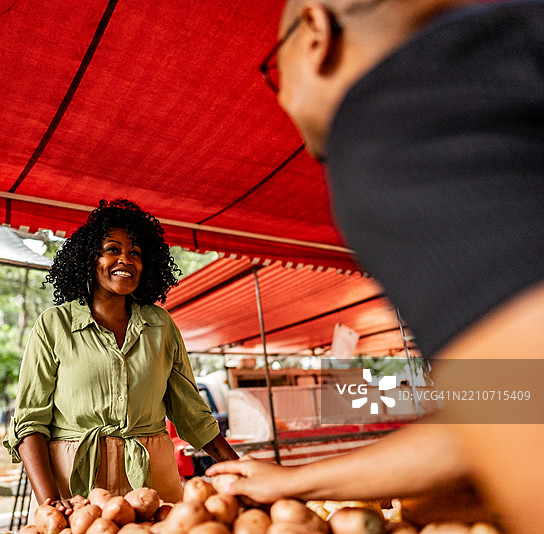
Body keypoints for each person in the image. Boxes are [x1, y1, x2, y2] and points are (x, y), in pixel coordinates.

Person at [208, 0, 544, 532]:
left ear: (315, 31)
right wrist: (293, 481)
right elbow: (509, 402)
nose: (285, 104)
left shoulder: (397, 113)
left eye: (275, 71)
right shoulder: (511, 59)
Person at [5, 199, 238, 516]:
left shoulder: (160, 325)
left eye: (136, 253)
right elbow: (30, 422)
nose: (126, 260)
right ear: (91, 258)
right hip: (74, 489)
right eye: (112, 249)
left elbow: (191, 412)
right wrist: (50, 501)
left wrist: (238, 467)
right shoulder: (54, 325)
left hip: (152, 483)